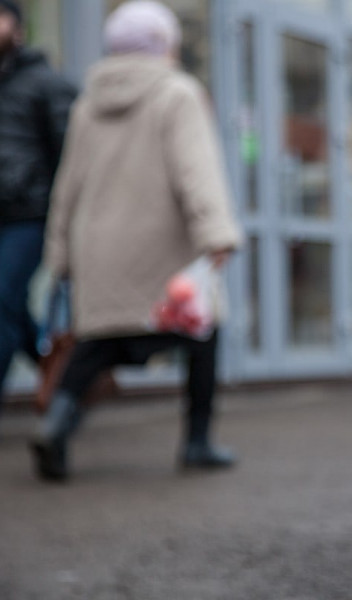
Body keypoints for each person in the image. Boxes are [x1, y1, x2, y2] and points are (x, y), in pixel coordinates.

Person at [30, 0, 242, 481]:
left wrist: (60, 255)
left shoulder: (87, 104)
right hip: (161, 248)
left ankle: (56, 425)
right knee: (202, 334)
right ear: (164, 44)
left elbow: (67, 187)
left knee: (96, 345)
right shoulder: (177, 93)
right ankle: (197, 442)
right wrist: (217, 235)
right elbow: (197, 173)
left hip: (99, 248)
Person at [0, 0, 77, 411]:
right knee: (9, 305)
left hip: (30, 215)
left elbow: (71, 157)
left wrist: (65, 216)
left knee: (1, 297)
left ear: (18, 27)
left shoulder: (46, 83)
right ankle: (64, 378)